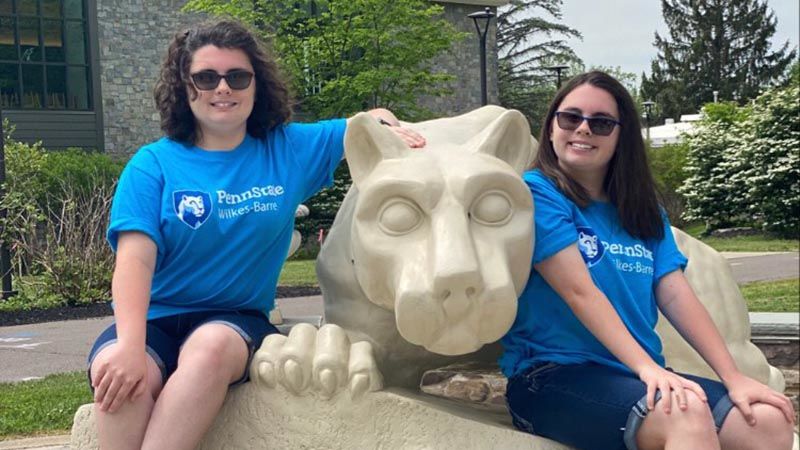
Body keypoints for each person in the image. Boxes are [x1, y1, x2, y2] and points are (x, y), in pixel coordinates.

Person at [86, 20, 425, 450]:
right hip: (151, 320)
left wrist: (389, 127)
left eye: (237, 77)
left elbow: (366, 121)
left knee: (208, 348)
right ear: (185, 87)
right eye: (206, 78)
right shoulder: (152, 164)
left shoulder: (289, 148)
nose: (222, 88)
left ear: (256, 85)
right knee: (121, 378)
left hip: (234, 320)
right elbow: (135, 262)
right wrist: (130, 348)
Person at [500, 71, 795, 450]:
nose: (584, 129)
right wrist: (647, 368)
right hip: (550, 377)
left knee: (767, 421)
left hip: (630, 379)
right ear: (553, 127)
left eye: (602, 122)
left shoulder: (643, 212)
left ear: (621, 136)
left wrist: (733, 377)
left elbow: (677, 297)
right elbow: (579, 292)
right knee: (683, 412)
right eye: (571, 117)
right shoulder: (537, 193)